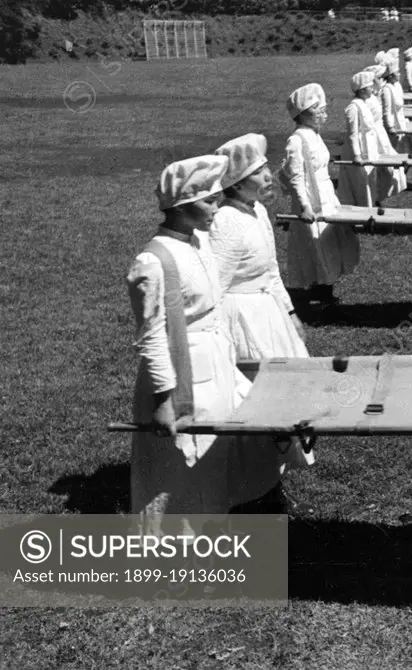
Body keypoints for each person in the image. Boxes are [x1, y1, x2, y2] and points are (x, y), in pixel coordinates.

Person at [128, 155, 259, 537]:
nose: (218, 208)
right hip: (180, 376)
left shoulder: (198, 243)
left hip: (214, 366)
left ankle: (209, 536)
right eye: (209, 202)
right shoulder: (152, 262)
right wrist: (163, 400)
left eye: (218, 199)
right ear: (180, 206)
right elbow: (151, 338)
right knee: (175, 471)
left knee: (211, 461)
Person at [209, 134, 316, 515]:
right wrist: (220, 342)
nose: (271, 176)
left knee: (284, 398)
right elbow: (214, 289)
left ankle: (271, 479)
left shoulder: (256, 212)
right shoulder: (226, 222)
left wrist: (290, 314)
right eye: (260, 171)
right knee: (252, 402)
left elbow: (271, 272)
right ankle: (248, 492)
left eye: (268, 168)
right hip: (241, 321)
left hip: (268, 314)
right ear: (237, 182)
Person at [282, 83, 359, 308]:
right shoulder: (296, 140)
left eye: (323, 110)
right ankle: (319, 289)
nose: (322, 115)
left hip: (326, 195)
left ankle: (326, 287)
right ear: (302, 114)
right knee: (316, 242)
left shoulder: (315, 135)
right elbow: (296, 176)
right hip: (310, 198)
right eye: (317, 111)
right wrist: (305, 206)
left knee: (330, 239)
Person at [364, 64, 407, 202]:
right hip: (374, 135)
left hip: (380, 132)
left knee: (390, 162)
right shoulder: (367, 100)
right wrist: (390, 127)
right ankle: (378, 193)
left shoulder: (376, 94)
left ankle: (383, 191)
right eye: (379, 78)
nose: (381, 81)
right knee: (381, 165)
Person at [381, 61, 412, 154]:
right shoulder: (387, 89)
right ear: (390, 76)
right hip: (394, 124)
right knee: (394, 149)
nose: (399, 74)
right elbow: (387, 109)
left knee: (402, 147)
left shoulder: (395, 86)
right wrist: (390, 126)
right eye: (397, 72)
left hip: (400, 121)